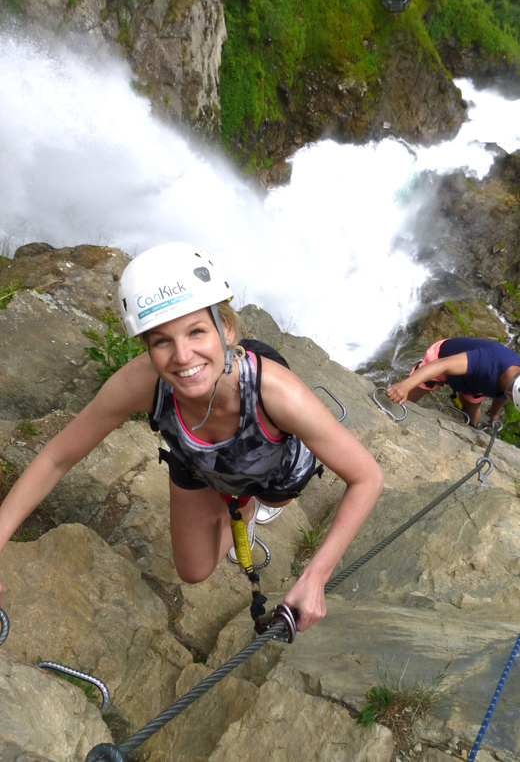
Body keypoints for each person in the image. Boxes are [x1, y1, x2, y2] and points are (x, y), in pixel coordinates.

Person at [0, 243, 384, 632]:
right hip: (197, 461)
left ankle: (250, 506)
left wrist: (316, 575)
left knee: (271, 496)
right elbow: (57, 457)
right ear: (146, 347)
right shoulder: (140, 384)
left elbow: (366, 476)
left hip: (274, 463)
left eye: (197, 331)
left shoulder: (278, 393)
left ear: (226, 330)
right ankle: (240, 507)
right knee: (194, 570)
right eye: (162, 341)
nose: (182, 356)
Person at [385, 337, 520, 427]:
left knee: (471, 413)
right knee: (404, 400)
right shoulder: (487, 362)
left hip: (473, 382)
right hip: (443, 359)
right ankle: (386, 419)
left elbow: (504, 397)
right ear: (511, 390)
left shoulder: (512, 385)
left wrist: (494, 413)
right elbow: (443, 364)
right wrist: (406, 385)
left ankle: (471, 430)